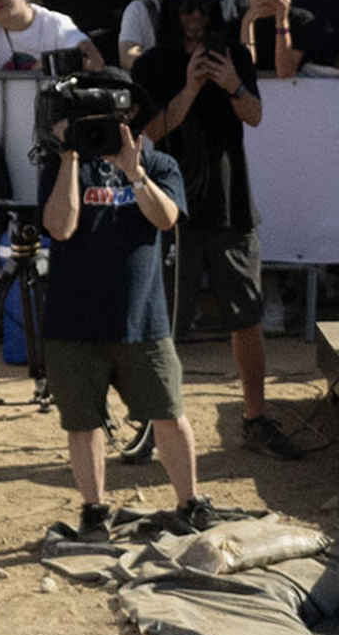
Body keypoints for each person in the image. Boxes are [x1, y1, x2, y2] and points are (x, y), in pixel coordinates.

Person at [33, 95, 208, 543]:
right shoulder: (61, 165)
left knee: (169, 413)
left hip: (141, 320)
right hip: (73, 323)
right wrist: (71, 153)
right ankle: (94, 510)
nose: (102, 132)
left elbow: (166, 218)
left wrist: (135, 172)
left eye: (109, 122)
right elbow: (60, 226)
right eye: (90, 123)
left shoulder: (159, 162)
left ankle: (189, 502)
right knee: (82, 422)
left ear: (129, 120)